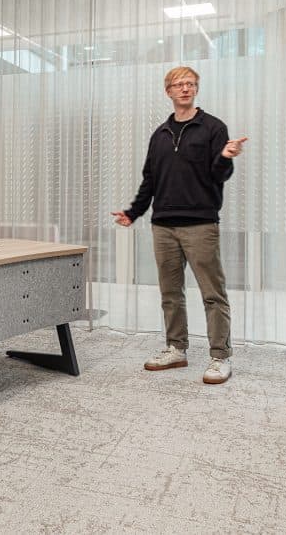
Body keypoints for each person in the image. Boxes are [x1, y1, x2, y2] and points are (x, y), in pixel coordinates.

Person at [111, 66, 247, 385]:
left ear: (196, 89)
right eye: (178, 84)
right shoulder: (160, 135)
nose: (185, 89)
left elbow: (218, 175)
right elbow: (150, 180)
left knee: (212, 294)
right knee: (170, 293)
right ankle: (176, 348)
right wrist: (133, 212)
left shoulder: (213, 128)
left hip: (200, 224)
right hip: (164, 227)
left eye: (190, 84)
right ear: (168, 91)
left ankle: (220, 357)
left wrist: (226, 156)